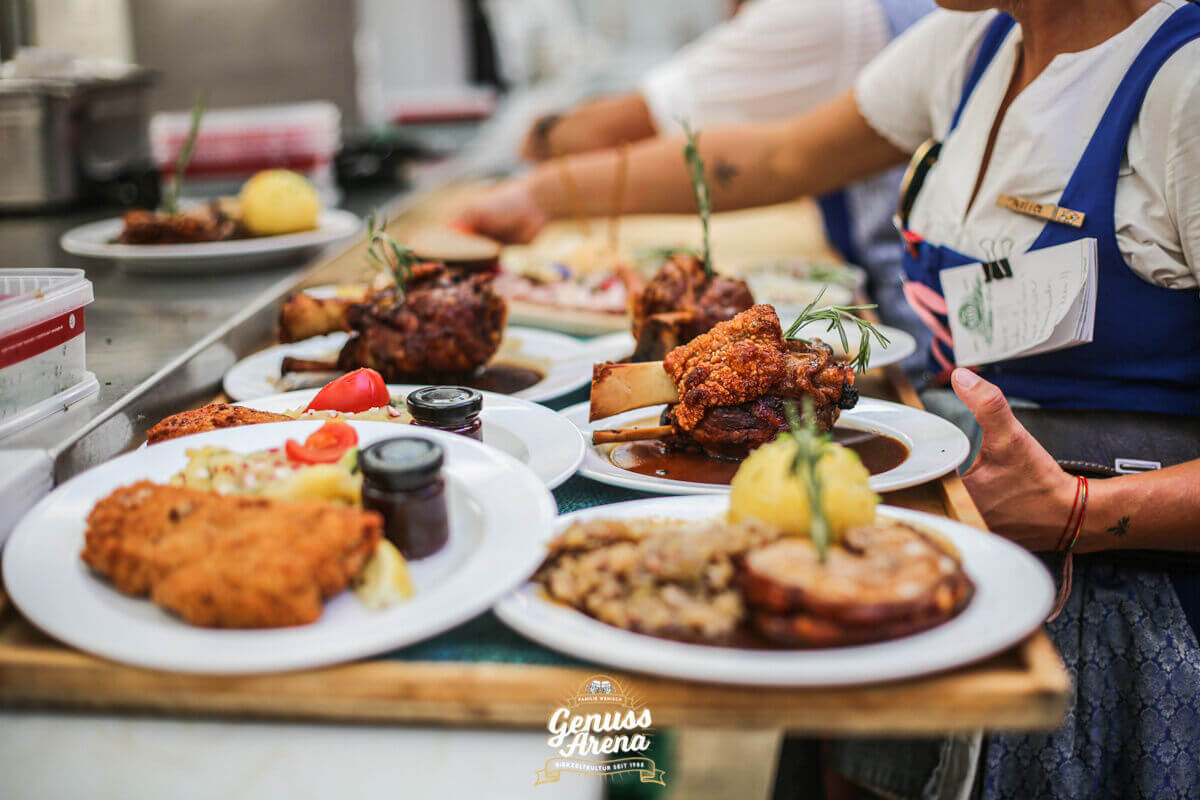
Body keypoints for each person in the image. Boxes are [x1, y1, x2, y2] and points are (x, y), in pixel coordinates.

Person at [456, 1, 1200, 796]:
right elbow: (776, 156)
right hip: (938, 527)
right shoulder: (973, 41)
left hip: (1123, 597)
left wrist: (1081, 510)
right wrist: (541, 194)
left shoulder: (1182, 88)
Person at [519, 0, 936, 377]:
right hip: (900, 321)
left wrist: (538, 162)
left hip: (929, 352)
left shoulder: (821, 10)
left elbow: (769, 160)